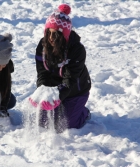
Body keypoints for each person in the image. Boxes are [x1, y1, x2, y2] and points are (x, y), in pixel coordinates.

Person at [32, 4, 91, 132]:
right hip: (54, 90)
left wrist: (58, 96)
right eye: (49, 33)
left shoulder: (77, 49)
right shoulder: (42, 46)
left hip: (75, 91)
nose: (51, 38)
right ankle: (62, 107)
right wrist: (42, 92)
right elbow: (42, 73)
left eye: (56, 34)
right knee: (43, 122)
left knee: (64, 126)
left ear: (64, 35)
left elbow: (70, 79)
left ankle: (83, 113)